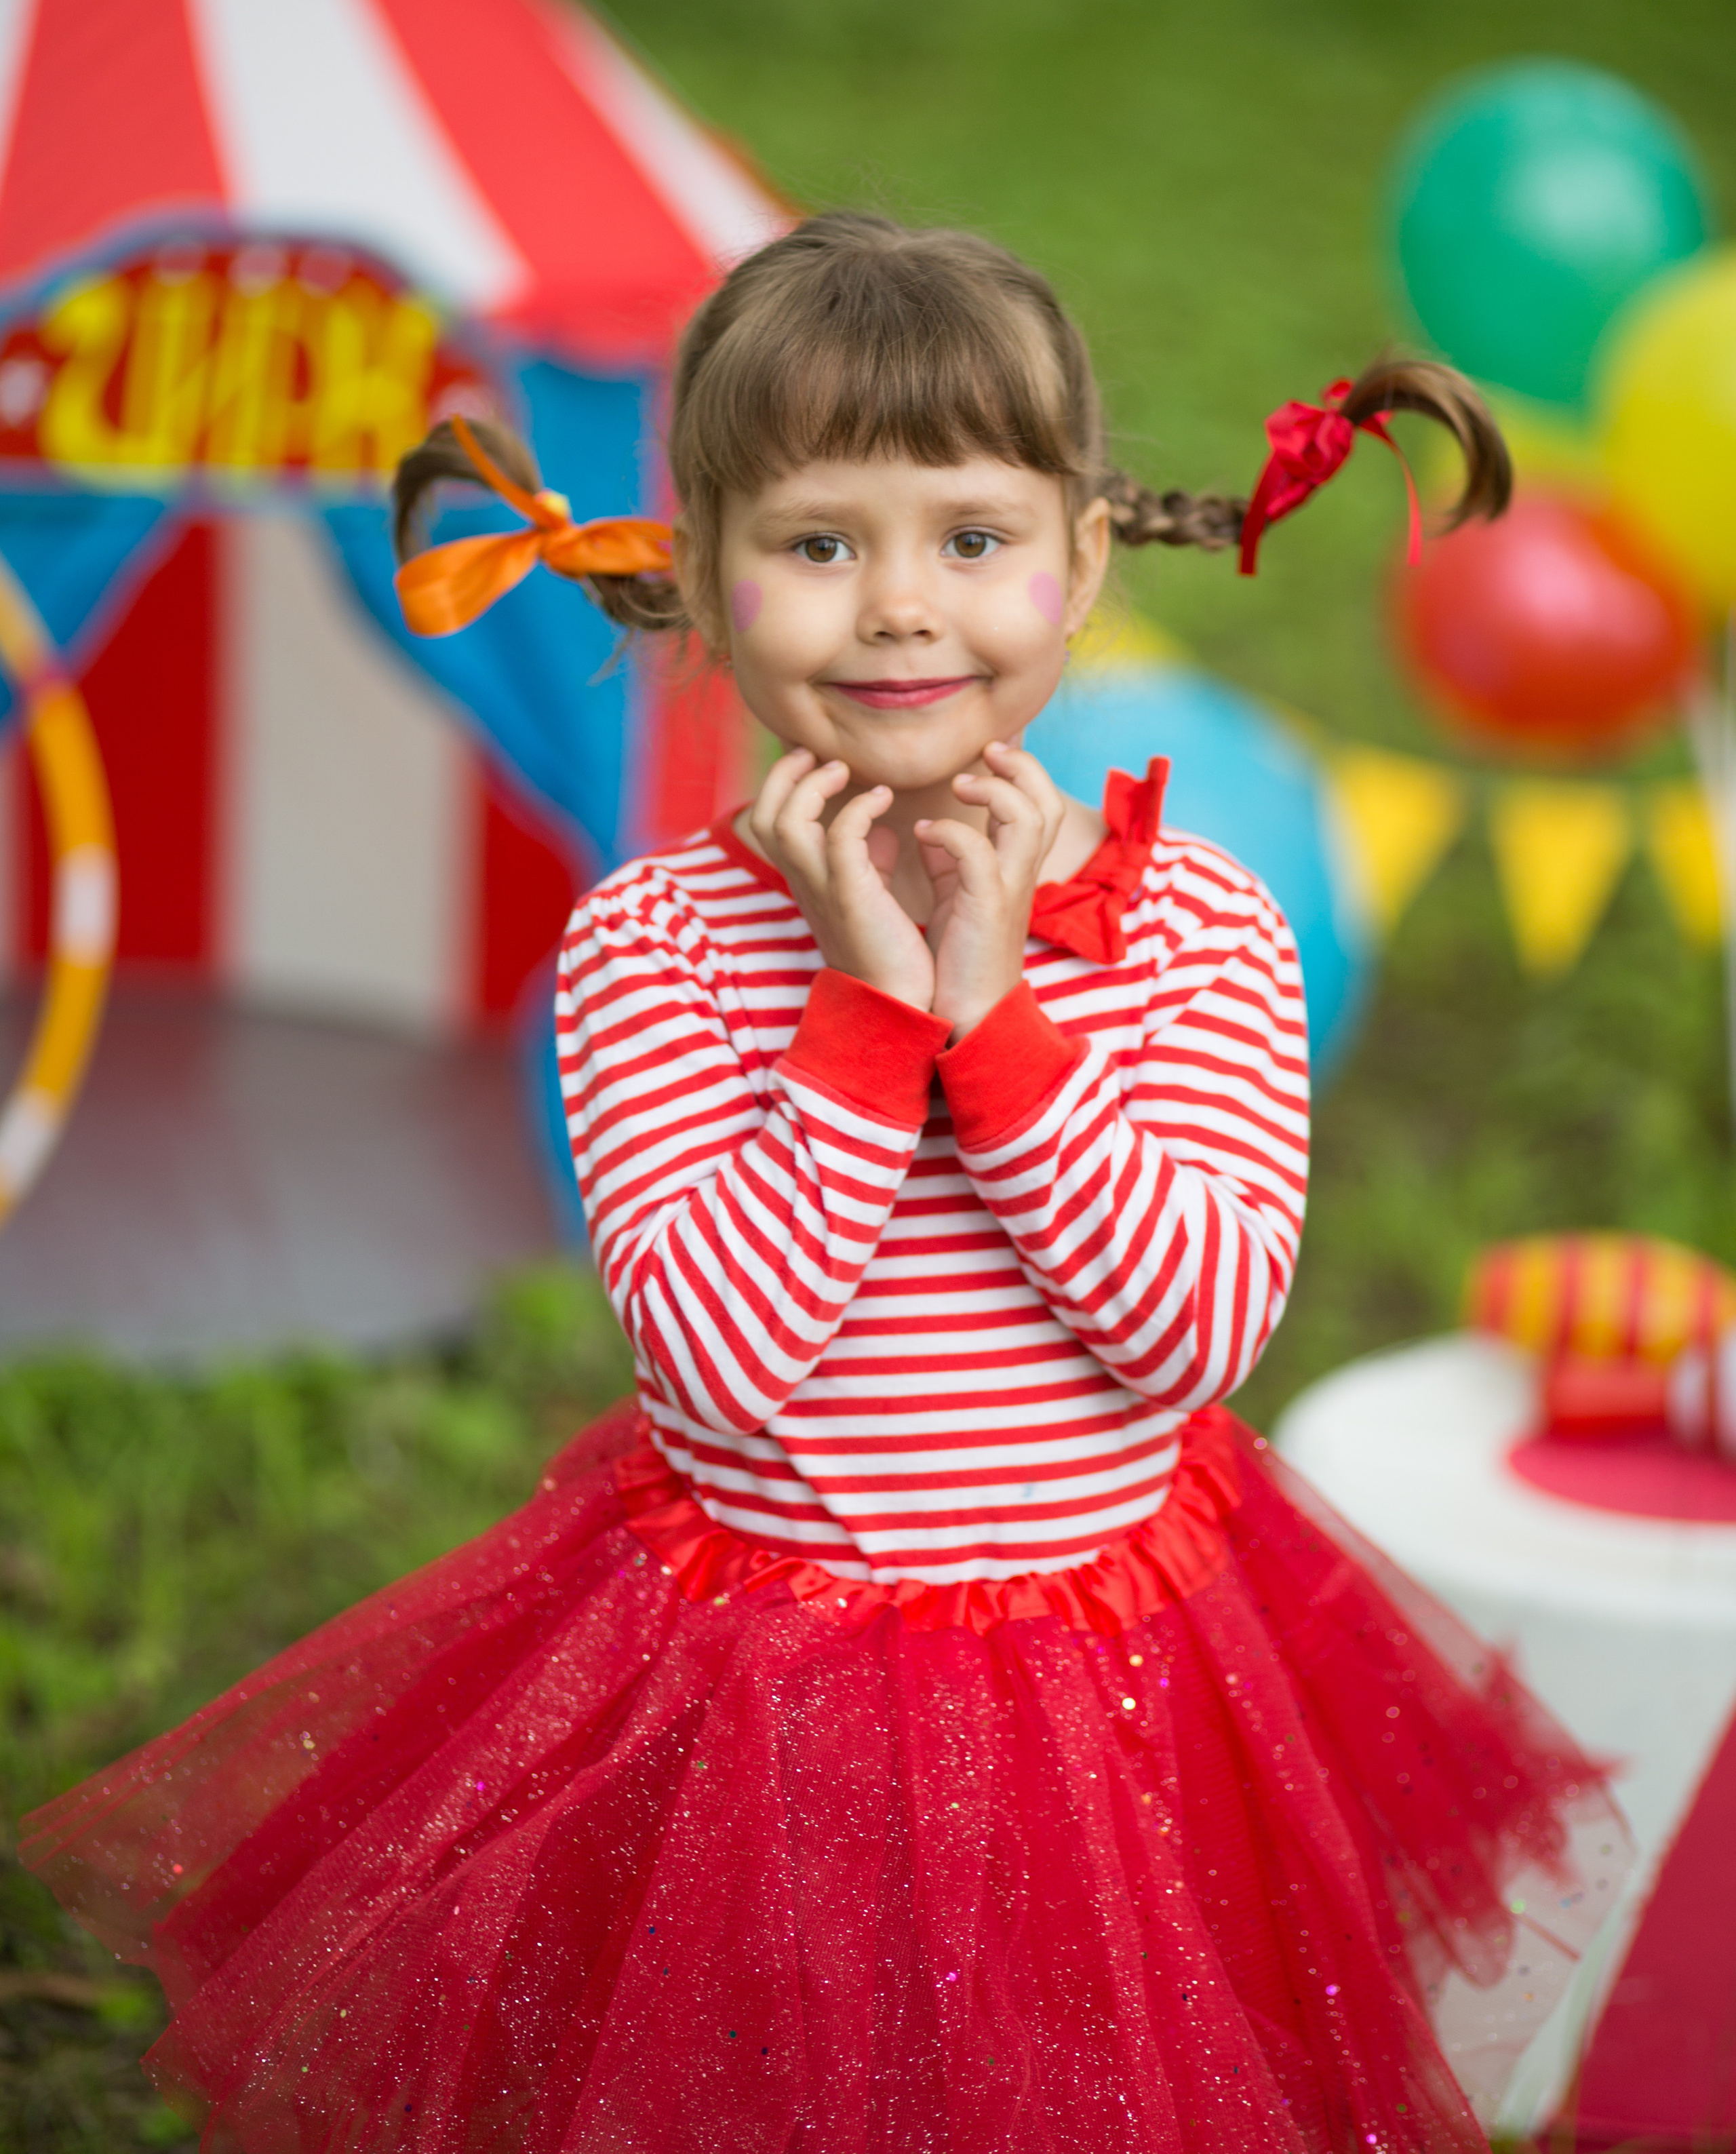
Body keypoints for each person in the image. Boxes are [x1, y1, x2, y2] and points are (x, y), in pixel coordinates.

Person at [24, 214, 1625, 2154]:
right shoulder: (652, 948)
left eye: (969, 537)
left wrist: (1000, 1014)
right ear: (701, 576)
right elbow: (721, 1365)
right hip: (757, 1705)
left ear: (1081, 563)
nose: (898, 608)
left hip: (1117, 1682)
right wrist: (869, 1012)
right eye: (816, 544)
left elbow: (1189, 1330)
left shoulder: (1204, 927)